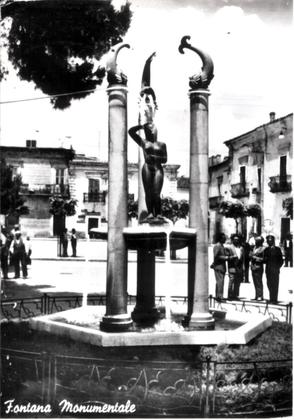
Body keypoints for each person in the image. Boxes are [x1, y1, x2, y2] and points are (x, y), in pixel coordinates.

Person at [128, 87, 167, 220]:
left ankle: (159, 214)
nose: (151, 130)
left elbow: (165, 159)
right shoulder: (144, 143)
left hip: (157, 169)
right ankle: (151, 213)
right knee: (148, 193)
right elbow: (131, 132)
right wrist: (141, 126)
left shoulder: (161, 144)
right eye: (148, 129)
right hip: (147, 168)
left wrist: (154, 157)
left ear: (156, 131)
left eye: (153, 129)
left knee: (156, 192)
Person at [264, 235, 284, 303]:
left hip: (275, 270)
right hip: (268, 270)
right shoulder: (266, 249)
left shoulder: (277, 249)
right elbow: (265, 259)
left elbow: (281, 260)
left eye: (271, 241)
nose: (269, 242)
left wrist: (277, 267)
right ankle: (271, 298)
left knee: (275, 284)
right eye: (268, 241)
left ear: (273, 241)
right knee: (269, 284)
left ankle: (274, 299)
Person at [227, 234, 245, 300]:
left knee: (238, 282)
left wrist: (243, 268)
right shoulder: (229, 248)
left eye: (237, 239)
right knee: (231, 281)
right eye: (235, 239)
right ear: (232, 240)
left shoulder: (241, 248)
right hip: (232, 267)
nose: (236, 241)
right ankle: (229, 295)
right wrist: (232, 258)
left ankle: (235, 295)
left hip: (239, 268)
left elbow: (243, 259)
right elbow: (227, 257)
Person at [211, 233, 228, 301]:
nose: (225, 239)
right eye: (224, 238)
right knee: (220, 282)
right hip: (219, 266)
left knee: (220, 282)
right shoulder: (217, 246)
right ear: (220, 238)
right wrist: (226, 257)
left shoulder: (222, 246)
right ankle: (219, 296)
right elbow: (216, 256)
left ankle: (218, 295)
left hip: (221, 266)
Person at [249, 236, 265, 300]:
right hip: (253, 267)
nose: (255, 242)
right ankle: (256, 295)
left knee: (259, 281)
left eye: (257, 241)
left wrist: (256, 258)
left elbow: (264, 259)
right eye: (255, 240)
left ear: (260, 242)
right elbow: (250, 255)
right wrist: (250, 255)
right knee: (255, 282)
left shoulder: (263, 249)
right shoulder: (253, 248)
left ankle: (260, 296)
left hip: (259, 267)